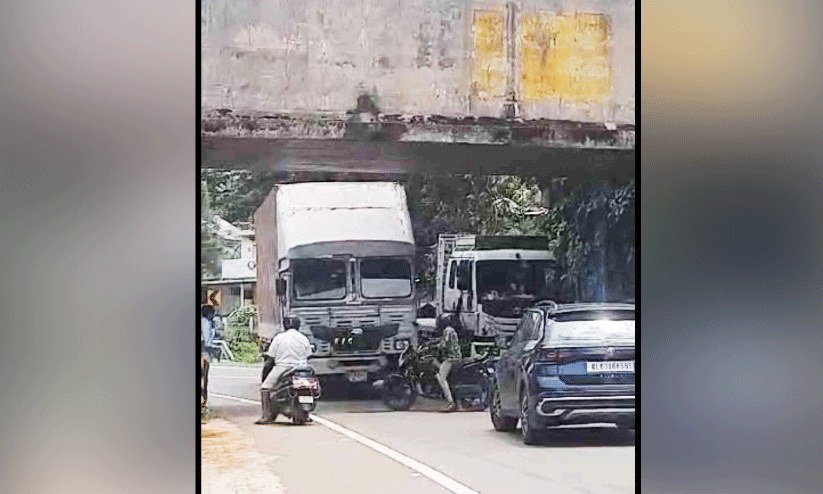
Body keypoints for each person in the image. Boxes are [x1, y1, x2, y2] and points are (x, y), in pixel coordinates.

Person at [255, 315, 313, 425]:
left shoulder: (279, 338)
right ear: (298, 325)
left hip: (283, 367)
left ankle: (266, 416)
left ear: (285, 325)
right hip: (302, 368)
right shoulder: (303, 338)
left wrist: (265, 373)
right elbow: (309, 355)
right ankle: (306, 414)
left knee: (265, 389)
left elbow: (271, 357)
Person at [432, 314, 462, 413]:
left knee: (441, 378)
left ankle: (450, 402)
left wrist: (434, 346)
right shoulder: (451, 330)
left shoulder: (447, 330)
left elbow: (444, 345)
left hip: (450, 358)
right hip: (455, 357)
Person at [201, 304, 217, 407]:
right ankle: (203, 401)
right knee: (204, 377)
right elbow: (207, 341)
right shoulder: (206, 323)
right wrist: (214, 347)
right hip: (204, 353)